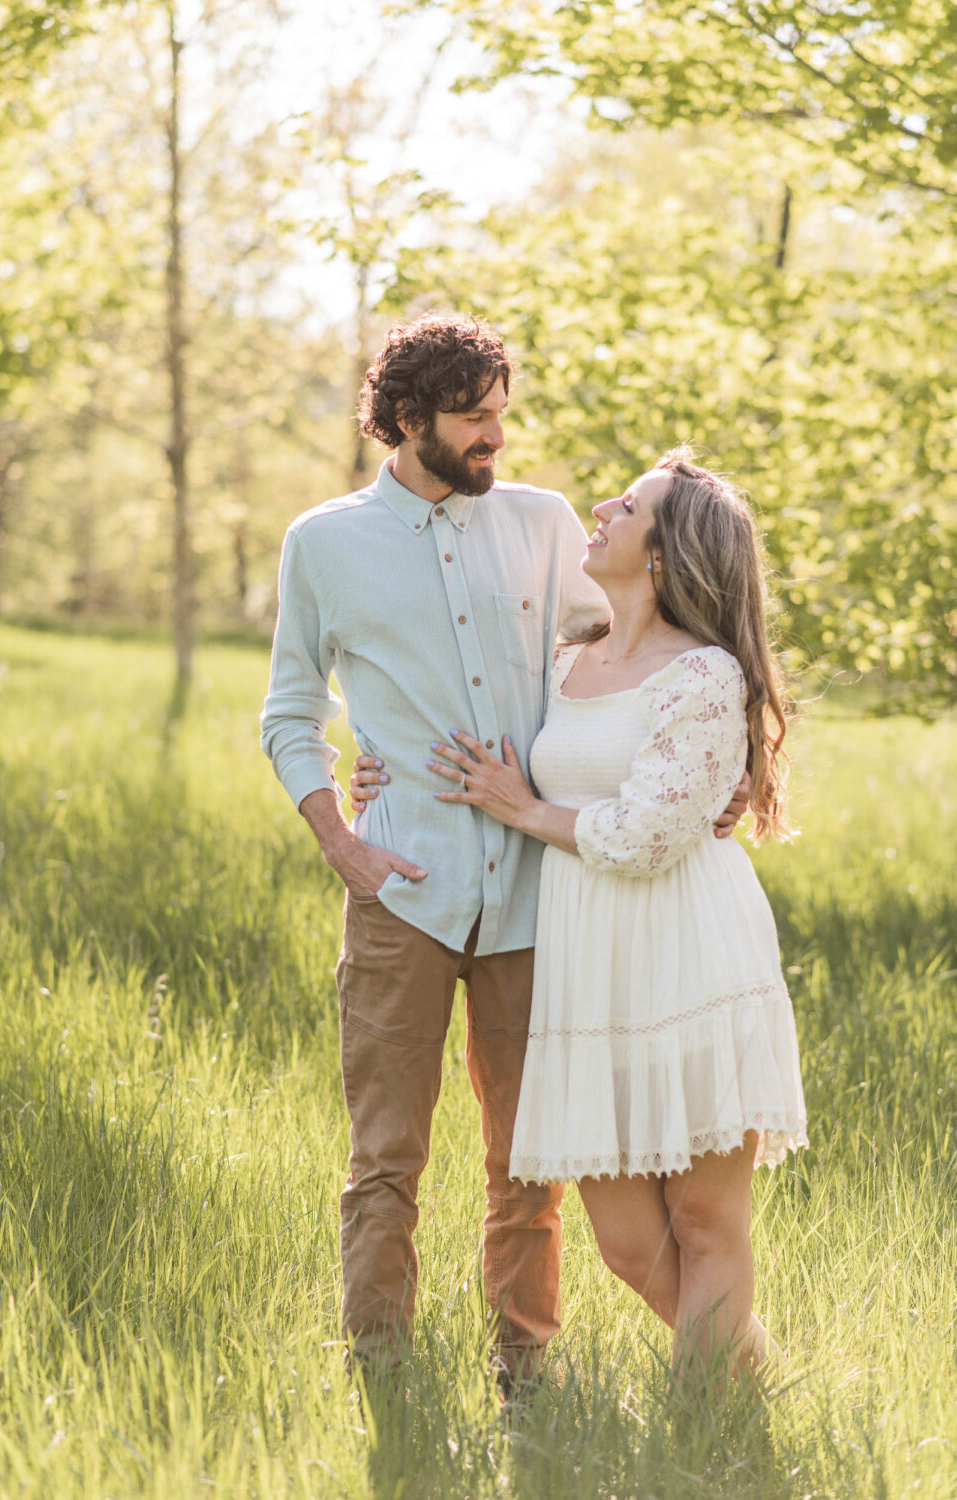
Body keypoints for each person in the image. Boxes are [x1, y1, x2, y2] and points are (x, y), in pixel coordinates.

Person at [261, 312, 748, 1391]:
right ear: (406, 418)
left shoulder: (541, 521)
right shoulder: (323, 543)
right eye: (472, 418)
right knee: (386, 1160)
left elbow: (635, 648)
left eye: (499, 413)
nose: (494, 436)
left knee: (528, 1164)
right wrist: (338, 834)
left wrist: (708, 771)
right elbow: (290, 711)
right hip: (403, 888)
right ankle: (382, 1373)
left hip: (537, 895)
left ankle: (524, 1374)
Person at [352, 448, 807, 1385]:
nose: (600, 506)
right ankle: (757, 1379)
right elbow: (460, 722)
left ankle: (705, 1424)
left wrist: (526, 810)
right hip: (589, 975)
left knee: (704, 1222)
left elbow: (643, 835)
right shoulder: (560, 663)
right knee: (631, 1246)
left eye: (629, 505)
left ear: (665, 551)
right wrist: (380, 772)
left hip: (691, 958)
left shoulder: (705, 675)